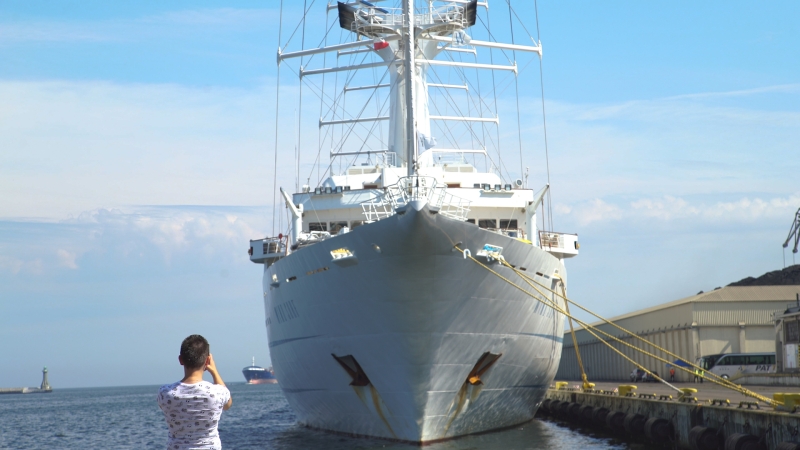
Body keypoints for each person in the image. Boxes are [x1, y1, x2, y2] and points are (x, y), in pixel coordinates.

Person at [158, 335, 232, 450]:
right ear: (207, 360)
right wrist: (214, 371)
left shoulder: (165, 393)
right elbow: (227, 405)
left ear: (180, 360)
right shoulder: (217, 392)